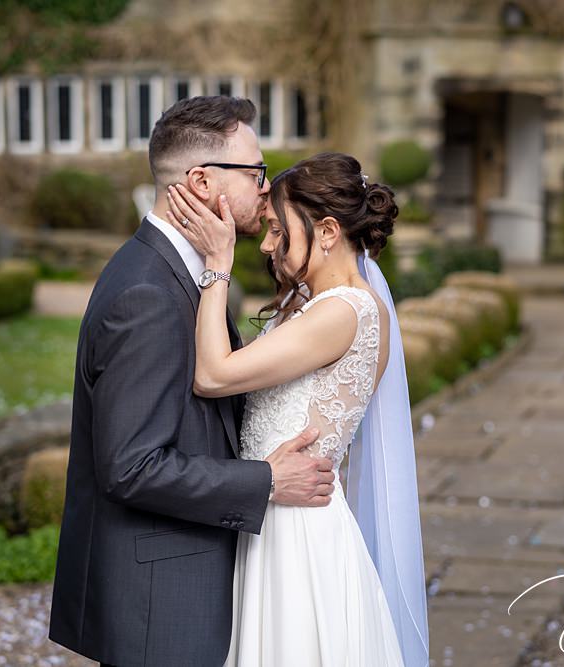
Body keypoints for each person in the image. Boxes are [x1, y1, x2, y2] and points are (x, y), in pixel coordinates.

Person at [48, 96, 337, 667]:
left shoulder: (186, 271)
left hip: (183, 582)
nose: (264, 188)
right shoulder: (147, 295)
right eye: (255, 173)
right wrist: (265, 480)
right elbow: (131, 467)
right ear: (202, 181)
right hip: (162, 603)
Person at [164, 151, 430, 666]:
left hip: (297, 535)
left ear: (327, 231)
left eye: (278, 231)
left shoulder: (344, 311)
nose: (266, 244)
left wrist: (218, 267)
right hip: (266, 513)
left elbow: (213, 375)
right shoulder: (305, 303)